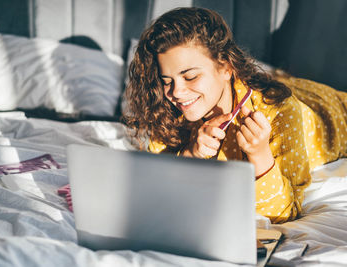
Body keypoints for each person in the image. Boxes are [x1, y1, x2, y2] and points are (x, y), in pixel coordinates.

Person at [123, 7, 347, 223]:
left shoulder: (280, 111)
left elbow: (284, 212)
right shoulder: (165, 110)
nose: (177, 92)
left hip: (328, 108)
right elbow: (157, 187)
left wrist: (259, 154)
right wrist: (190, 154)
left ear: (226, 68)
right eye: (166, 81)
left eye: (190, 76)